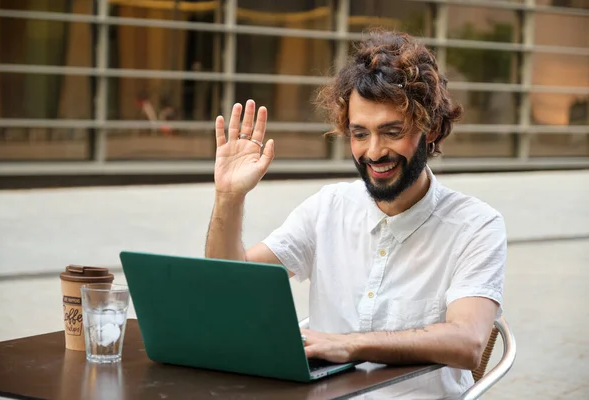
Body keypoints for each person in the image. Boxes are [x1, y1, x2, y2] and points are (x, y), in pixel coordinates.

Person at [205, 29, 506, 399]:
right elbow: (229, 287)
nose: (374, 151)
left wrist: (351, 344)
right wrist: (228, 197)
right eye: (359, 133)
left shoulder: (477, 225)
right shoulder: (328, 207)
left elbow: (467, 341)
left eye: (392, 131)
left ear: (433, 130)